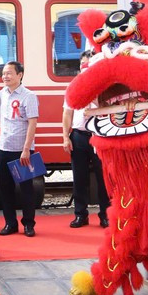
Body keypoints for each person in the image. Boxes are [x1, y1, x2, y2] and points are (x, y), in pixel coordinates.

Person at [63, 50, 109, 228]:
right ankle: (80, 215)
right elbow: (67, 113)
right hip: (79, 136)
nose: (86, 68)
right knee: (79, 177)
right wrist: (65, 136)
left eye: (90, 64)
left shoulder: (106, 87)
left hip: (100, 136)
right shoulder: (73, 87)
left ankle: (105, 214)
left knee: (103, 177)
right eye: (83, 64)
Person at [0, 61, 40, 238]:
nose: (5, 76)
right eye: (3, 73)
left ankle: (29, 224)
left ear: (20, 75)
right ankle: (10, 223)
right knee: (5, 188)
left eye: (9, 73)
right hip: (4, 147)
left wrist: (26, 149)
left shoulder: (28, 95)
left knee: (26, 189)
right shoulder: (1, 94)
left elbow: (32, 122)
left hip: (22, 150)